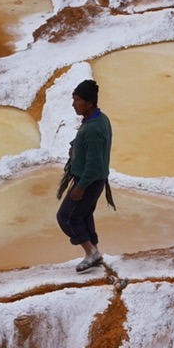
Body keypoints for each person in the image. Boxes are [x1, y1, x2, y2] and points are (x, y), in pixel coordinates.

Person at [55, 78, 113, 272]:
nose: (73, 104)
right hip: (94, 180)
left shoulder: (94, 129)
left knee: (67, 217)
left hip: (89, 181)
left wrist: (81, 186)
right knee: (83, 215)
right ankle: (94, 251)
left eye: (77, 99)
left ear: (89, 102)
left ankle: (91, 252)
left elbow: (94, 163)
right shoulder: (98, 119)